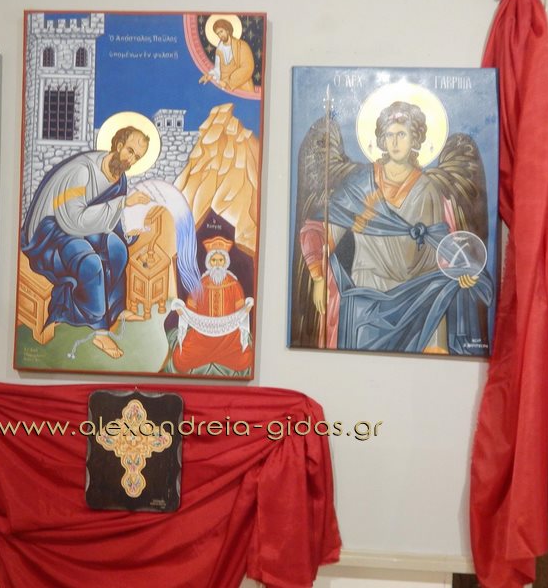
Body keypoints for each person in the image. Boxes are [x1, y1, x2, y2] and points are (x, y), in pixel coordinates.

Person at [299, 101, 488, 354]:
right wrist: (317, 276)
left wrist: (461, 272)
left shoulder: (429, 189)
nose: (395, 142)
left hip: (421, 297)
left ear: (415, 139)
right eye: (389, 135)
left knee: (431, 358)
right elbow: (322, 230)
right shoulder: (362, 184)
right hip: (369, 296)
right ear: (381, 139)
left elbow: (442, 246)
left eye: (402, 134)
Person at [21, 126, 151, 358]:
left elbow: (109, 220)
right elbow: (72, 220)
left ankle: (115, 309)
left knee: (117, 248)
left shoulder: (118, 178)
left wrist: (128, 232)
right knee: (91, 262)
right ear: (118, 144)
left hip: (82, 226)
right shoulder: (82, 171)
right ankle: (100, 330)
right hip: (51, 232)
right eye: (130, 151)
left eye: (137, 157)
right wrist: (123, 204)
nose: (131, 160)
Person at [170, 237, 254, 373]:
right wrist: (182, 310)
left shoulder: (234, 284)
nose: (217, 264)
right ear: (209, 262)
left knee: (245, 359)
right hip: (202, 336)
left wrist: (246, 308)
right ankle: (211, 355)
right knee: (180, 359)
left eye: (220, 260)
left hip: (228, 337)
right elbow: (191, 307)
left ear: (225, 262)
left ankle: (217, 356)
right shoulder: (201, 284)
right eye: (214, 260)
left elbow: (240, 309)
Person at [198, 19, 255, 93]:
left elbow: (247, 68)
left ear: (227, 30)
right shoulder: (219, 49)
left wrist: (229, 83)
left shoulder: (242, 46)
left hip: (242, 87)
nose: (220, 35)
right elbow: (218, 70)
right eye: (218, 33)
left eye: (221, 31)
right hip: (225, 88)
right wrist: (210, 75)